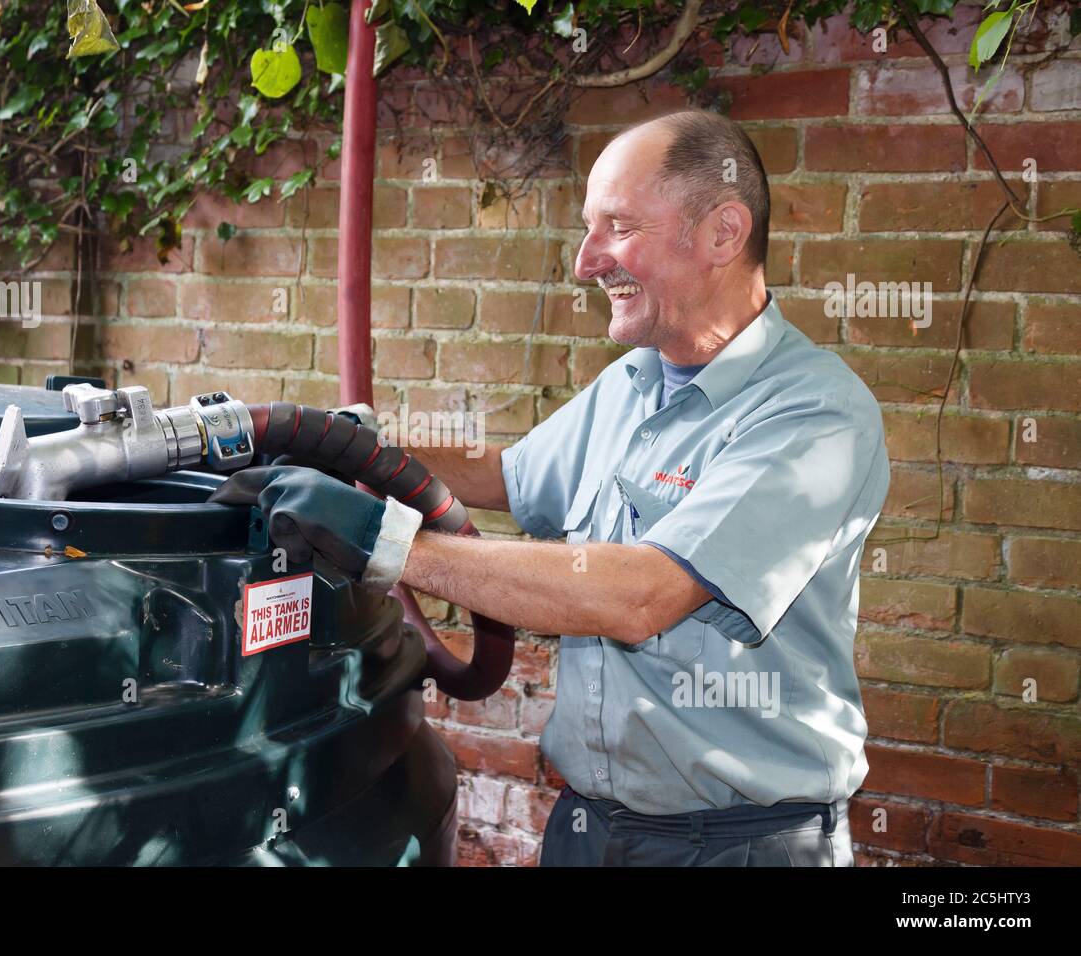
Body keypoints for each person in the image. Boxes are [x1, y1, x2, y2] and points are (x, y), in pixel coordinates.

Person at [214, 109, 890, 867]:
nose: (586, 262)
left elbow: (643, 594)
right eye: (588, 229)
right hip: (588, 828)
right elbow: (507, 474)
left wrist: (384, 543)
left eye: (619, 226)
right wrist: (349, 449)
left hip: (737, 844)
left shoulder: (814, 413)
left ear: (723, 233)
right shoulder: (633, 383)